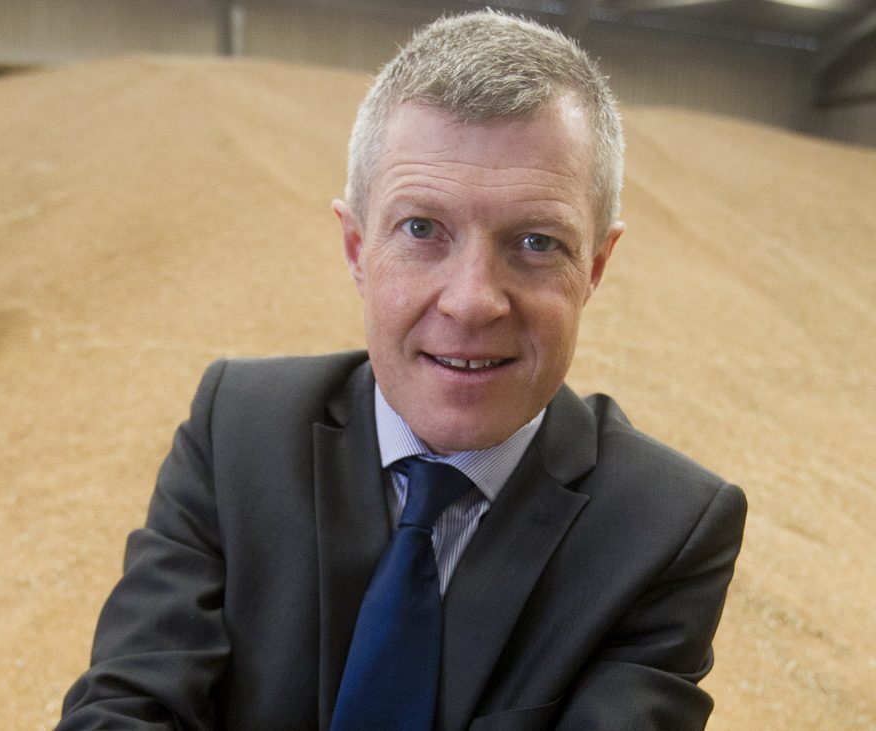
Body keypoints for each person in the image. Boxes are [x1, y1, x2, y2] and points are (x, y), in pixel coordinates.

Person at [58, 10, 746, 730]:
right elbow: (125, 707)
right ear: (357, 248)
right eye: (422, 229)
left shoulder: (666, 531)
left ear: (595, 268)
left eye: (536, 242)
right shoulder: (235, 432)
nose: (473, 300)